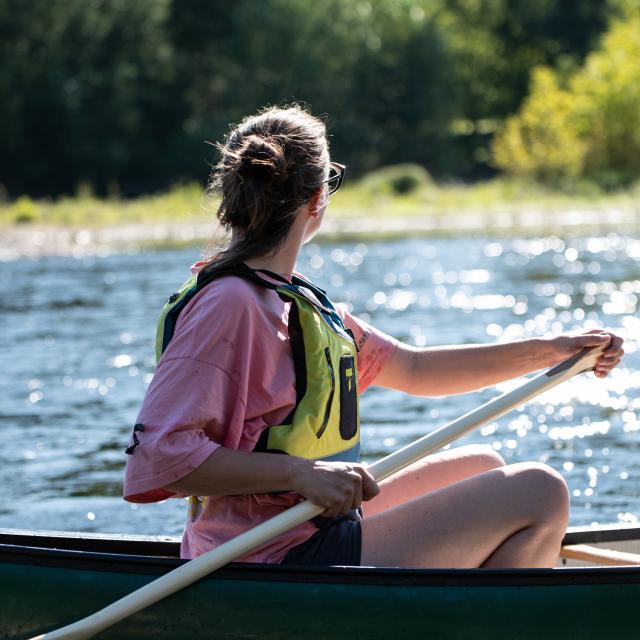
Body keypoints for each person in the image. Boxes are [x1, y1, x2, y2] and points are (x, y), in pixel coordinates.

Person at [123, 105, 624, 569]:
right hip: (268, 555)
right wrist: (299, 474)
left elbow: (415, 368)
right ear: (318, 198)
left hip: (310, 527)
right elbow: (160, 455)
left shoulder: (296, 303)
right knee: (540, 493)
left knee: (483, 465)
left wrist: (554, 352)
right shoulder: (230, 304)